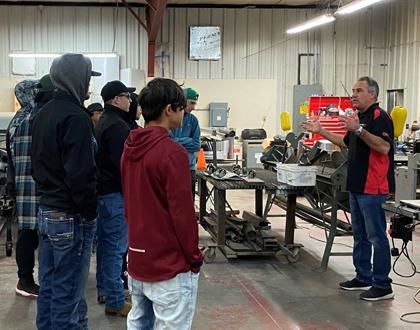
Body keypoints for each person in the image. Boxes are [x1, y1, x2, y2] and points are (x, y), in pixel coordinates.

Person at [302, 76, 394, 301]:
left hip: (372, 187)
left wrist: (359, 130)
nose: (353, 94)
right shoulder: (358, 117)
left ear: (372, 94)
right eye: (353, 90)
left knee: (377, 237)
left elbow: (383, 147)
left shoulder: (378, 117)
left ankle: (382, 285)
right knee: (360, 235)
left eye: (359, 90)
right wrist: (321, 130)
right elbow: (345, 143)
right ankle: (363, 276)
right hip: (355, 184)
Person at [121, 78, 203, 329]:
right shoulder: (171, 153)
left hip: (137, 258)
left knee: (139, 323)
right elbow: (182, 214)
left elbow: (130, 204)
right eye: (182, 107)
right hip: (168, 265)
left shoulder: (129, 147)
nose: (185, 113)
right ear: (169, 109)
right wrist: (194, 257)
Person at [31, 53, 100, 329]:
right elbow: (80, 174)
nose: (88, 87)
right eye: (86, 79)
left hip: (46, 211)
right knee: (67, 294)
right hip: (70, 215)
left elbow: (36, 167)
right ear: (76, 78)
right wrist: (91, 213)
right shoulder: (76, 117)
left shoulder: (42, 114)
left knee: (48, 286)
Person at [95, 80, 135, 317]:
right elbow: (124, 167)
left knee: (105, 246)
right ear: (116, 99)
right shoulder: (118, 127)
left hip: (103, 193)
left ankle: (106, 290)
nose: (130, 101)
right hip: (114, 195)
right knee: (115, 249)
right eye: (127, 97)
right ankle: (116, 300)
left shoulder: (104, 122)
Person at [6, 79, 39, 298]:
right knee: (29, 234)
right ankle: (24, 280)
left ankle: (24, 278)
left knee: (28, 233)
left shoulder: (15, 121)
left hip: (21, 185)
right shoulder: (29, 119)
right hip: (31, 186)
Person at [170, 87, 201, 201]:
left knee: (188, 201)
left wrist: (176, 140)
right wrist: (187, 140)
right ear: (183, 101)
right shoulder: (171, 117)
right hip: (173, 166)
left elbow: (196, 144)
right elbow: (167, 141)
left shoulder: (193, 120)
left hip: (189, 167)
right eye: (191, 103)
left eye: (195, 104)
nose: (193, 107)